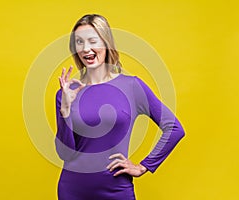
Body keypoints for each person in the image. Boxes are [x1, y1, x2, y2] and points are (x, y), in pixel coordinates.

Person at [55, 14, 185, 200]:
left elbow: (174, 129)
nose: (86, 49)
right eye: (79, 42)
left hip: (116, 190)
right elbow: (64, 153)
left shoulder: (132, 86)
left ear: (106, 43)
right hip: (73, 190)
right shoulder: (65, 93)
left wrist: (144, 166)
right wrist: (65, 110)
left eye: (93, 40)